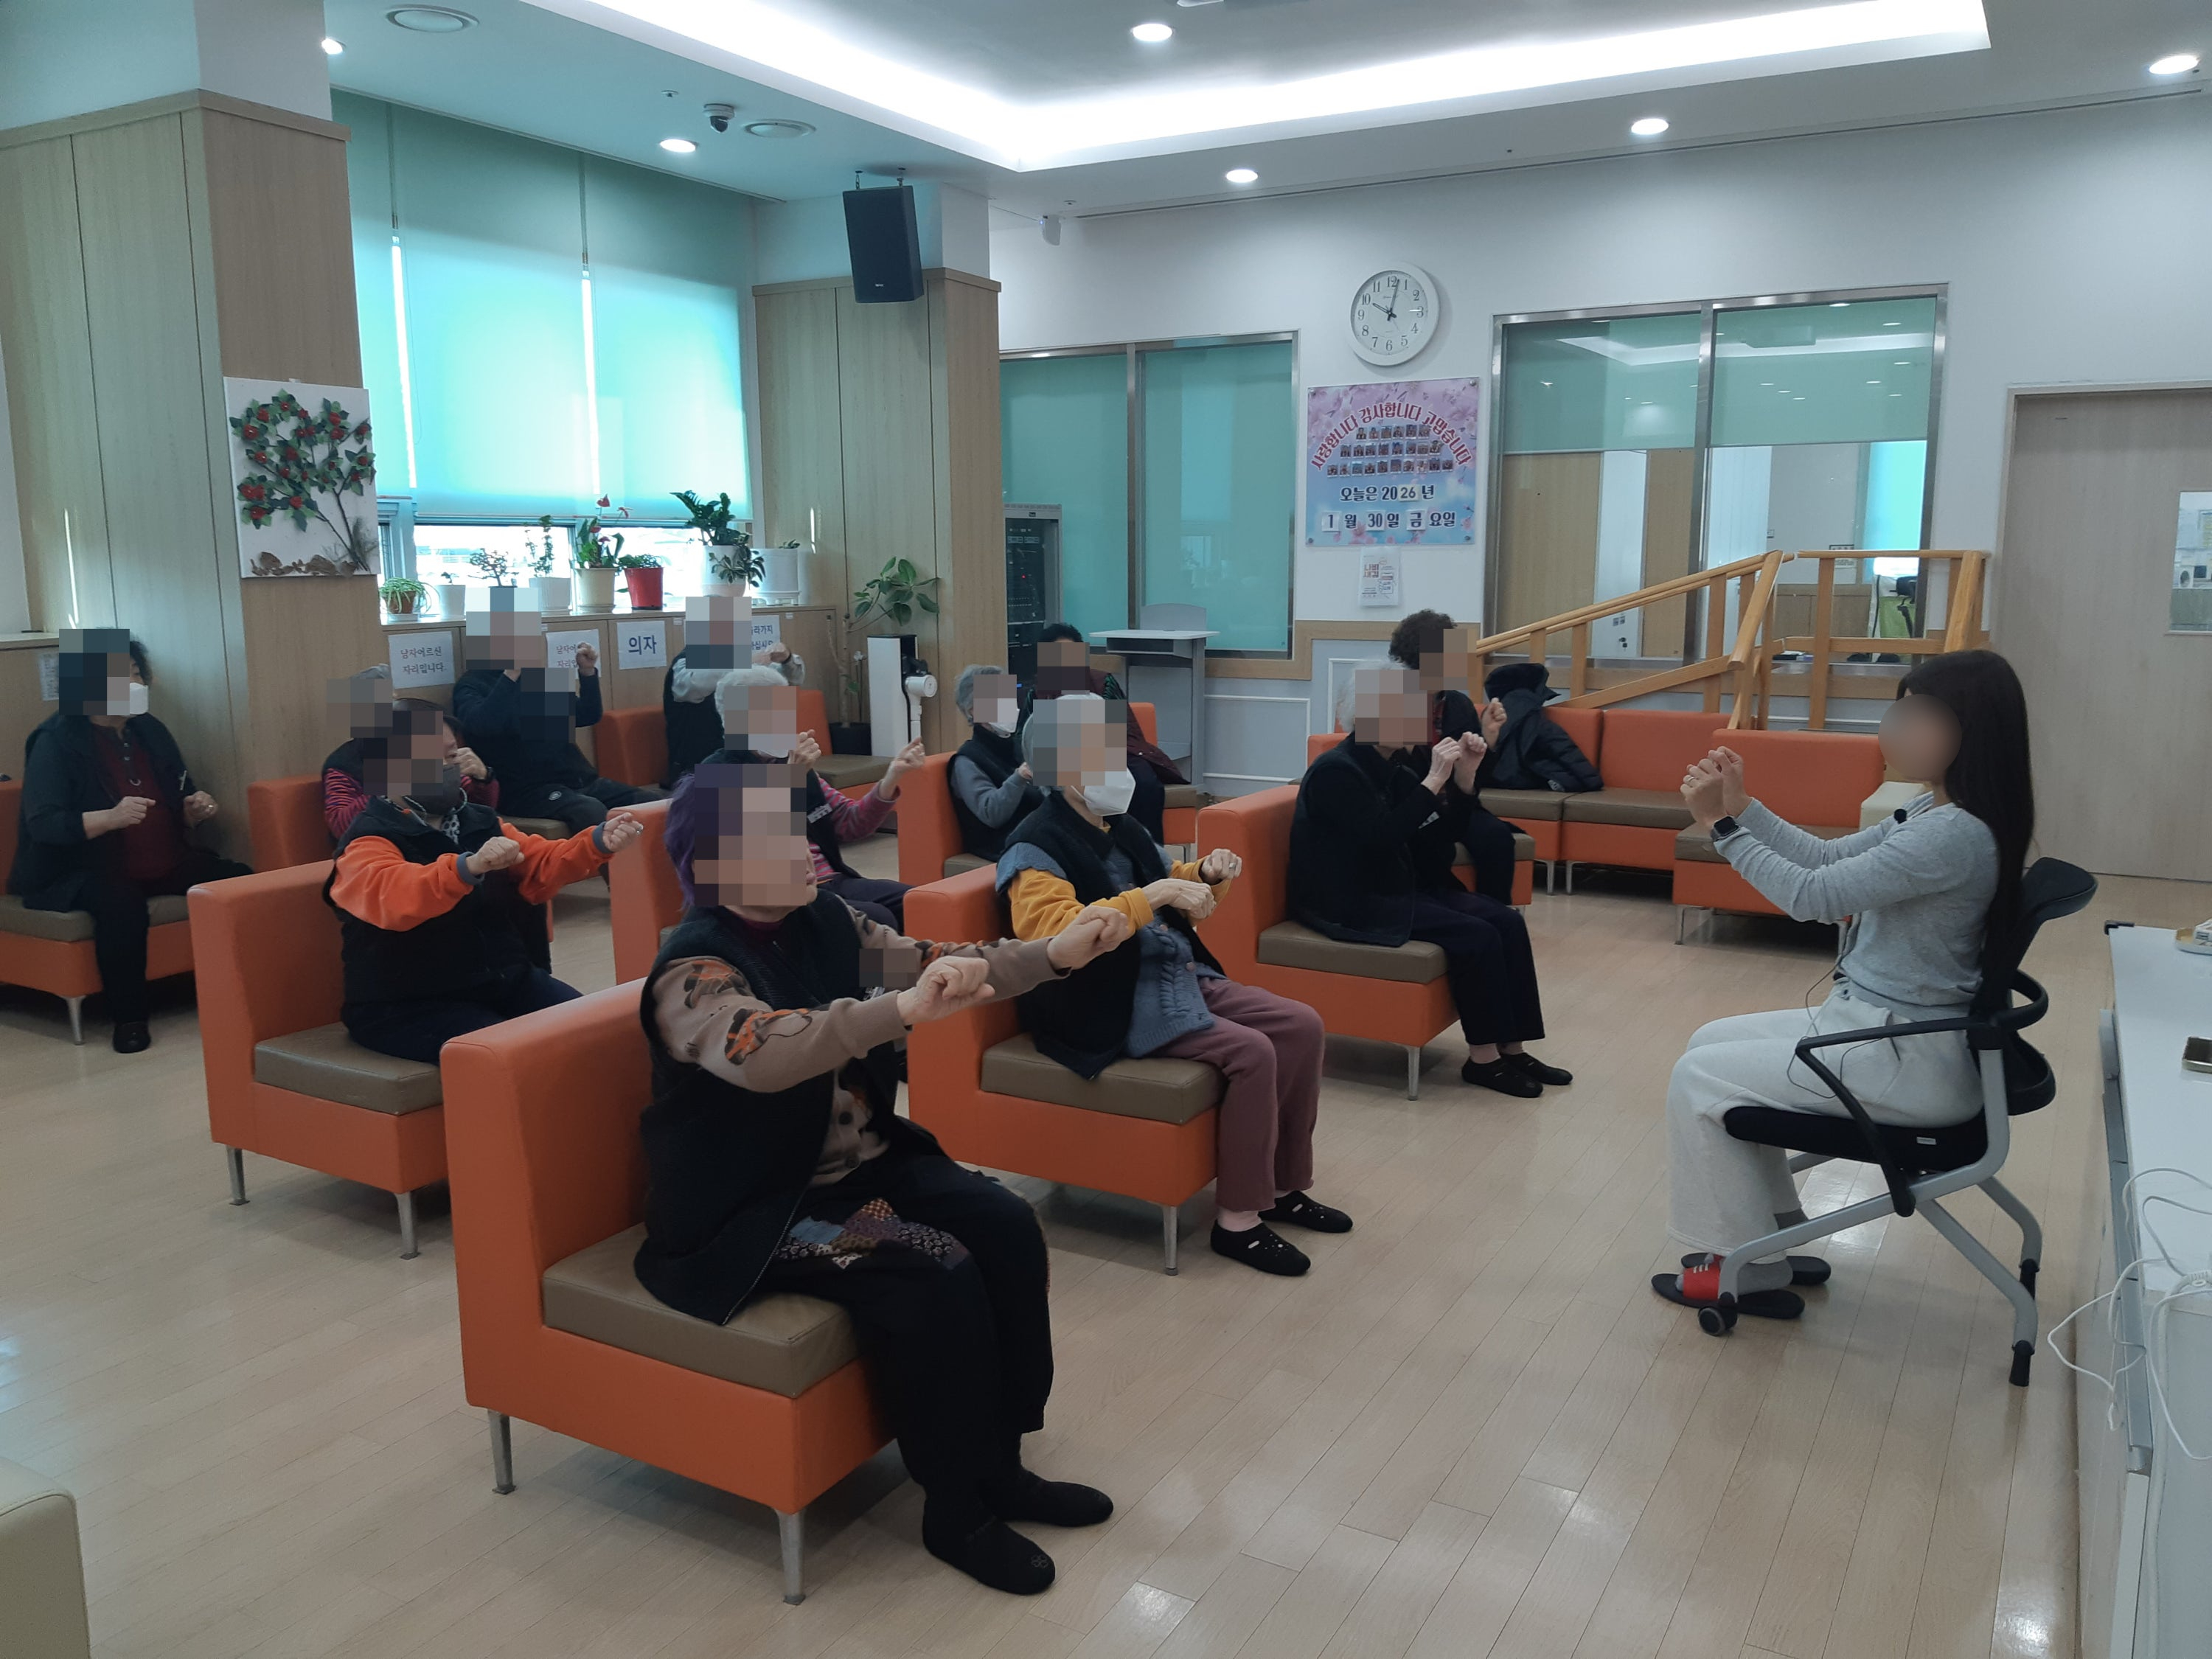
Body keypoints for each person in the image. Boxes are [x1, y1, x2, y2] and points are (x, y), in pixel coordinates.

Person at [639, 757, 1132, 1594]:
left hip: (859, 1168)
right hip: (759, 1209)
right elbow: (766, 1053)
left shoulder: (827, 921)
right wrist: (900, 1009)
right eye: (777, 837)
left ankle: (1002, 1465)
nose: (806, 849)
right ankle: (955, 1508)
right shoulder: (693, 972)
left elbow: (943, 960)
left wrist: (1055, 953)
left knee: (1005, 1225)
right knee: (932, 1264)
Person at [1652, 650, 2032, 1323]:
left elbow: (1813, 897)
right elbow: (1827, 859)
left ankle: (1742, 1266)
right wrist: (1743, 806)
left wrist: (1720, 826)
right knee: (1707, 1042)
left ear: (1971, 730)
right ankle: (1770, 1236)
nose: (1895, 729)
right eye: (1900, 710)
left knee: (1698, 1078)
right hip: (1886, 1031)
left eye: (1918, 715)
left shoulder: (1953, 835)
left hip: (1904, 1056)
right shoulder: (1938, 810)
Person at [998, 696, 1351, 1276]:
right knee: (1252, 1052)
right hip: (1102, 1004)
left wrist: (1205, 874)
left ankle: (1283, 1187)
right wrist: (1157, 895)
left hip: (1173, 973)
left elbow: (1170, 882)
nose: (1116, 763)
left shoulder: (1122, 827)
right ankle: (1238, 1221)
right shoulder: (1033, 848)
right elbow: (1059, 937)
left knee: (1302, 1026)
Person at [1290, 665, 1569, 1099]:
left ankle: (1512, 1048)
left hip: (1398, 885)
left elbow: (1438, 836)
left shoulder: (1397, 764)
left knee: (1506, 920)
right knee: (1476, 935)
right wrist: (1435, 778)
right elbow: (1382, 838)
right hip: (1351, 900)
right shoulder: (1336, 772)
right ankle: (1483, 1061)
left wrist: (1464, 780)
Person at [324, 700, 644, 1062]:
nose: (450, 768)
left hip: (503, 981)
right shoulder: (367, 838)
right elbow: (395, 894)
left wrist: (596, 842)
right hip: (406, 1005)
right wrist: (467, 868)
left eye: (452, 755)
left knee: (602, 1033)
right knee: (518, 1057)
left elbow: (540, 862)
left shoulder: (479, 820)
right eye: (433, 759)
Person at [10, 630, 251, 1052]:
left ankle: (249, 992)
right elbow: (45, 825)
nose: (136, 683)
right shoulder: (55, 740)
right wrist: (110, 818)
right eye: (123, 676)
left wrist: (193, 810)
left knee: (240, 881)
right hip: (82, 869)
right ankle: (130, 1020)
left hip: (163, 859)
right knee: (121, 904)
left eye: (137, 674)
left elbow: (179, 795)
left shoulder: (150, 730)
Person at [714, 666, 920, 929]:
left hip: (830, 880)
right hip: (778, 894)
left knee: (914, 900)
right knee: (877, 918)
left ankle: (921, 958)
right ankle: (875, 959)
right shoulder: (717, 773)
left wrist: (892, 777)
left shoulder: (794, 766)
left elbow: (851, 824)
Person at [450, 600, 664, 832]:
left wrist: (587, 673)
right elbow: (483, 725)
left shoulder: (540, 677)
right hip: (527, 791)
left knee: (653, 804)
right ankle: (607, 858)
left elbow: (587, 715)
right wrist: (511, 674)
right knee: (590, 810)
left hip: (579, 781)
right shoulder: (471, 685)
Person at [1386, 610, 1517, 901]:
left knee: (1497, 837)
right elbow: (1384, 770)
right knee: (1430, 843)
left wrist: (1488, 739)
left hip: (1456, 804)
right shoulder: (1391, 700)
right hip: (1410, 806)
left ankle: (1495, 911)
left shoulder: (1458, 703)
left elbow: (1478, 779)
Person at [1028, 625, 1186, 844]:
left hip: (1111, 749)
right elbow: (1028, 737)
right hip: (1061, 758)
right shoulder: (1038, 692)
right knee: (1057, 787)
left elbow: (1118, 729)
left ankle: (1148, 848)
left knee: (1144, 781)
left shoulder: (1103, 681)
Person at [662, 592, 807, 787]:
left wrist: (787, 658)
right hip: (700, 769)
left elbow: (791, 680)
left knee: (802, 787)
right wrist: (745, 661)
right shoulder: (685, 665)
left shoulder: (742, 660)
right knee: (780, 796)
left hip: (750, 763)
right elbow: (696, 685)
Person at [323, 681, 497, 840]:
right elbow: (341, 826)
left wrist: (483, 779)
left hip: (448, 841)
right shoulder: (345, 764)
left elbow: (478, 810)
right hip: (381, 845)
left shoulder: (440, 753)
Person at [948, 665, 1043, 862]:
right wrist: (1019, 778)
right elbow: (991, 813)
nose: (1009, 705)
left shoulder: (1017, 745)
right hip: (1004, 843)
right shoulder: (967, 760)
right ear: (974, 710)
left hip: (1037, 831)